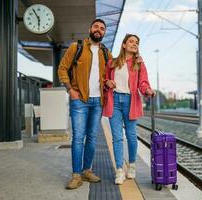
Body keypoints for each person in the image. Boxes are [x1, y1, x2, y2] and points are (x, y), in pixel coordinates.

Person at [58, 18, 112, 190]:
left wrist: (134, 58)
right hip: (80, 100)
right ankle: (76, 175)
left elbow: (115, 69)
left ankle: (87, 171)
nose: (99, 30)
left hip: (98, 102)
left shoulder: (105, 52)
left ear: (104, 33)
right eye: (96, 26)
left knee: (92, 138)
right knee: (78, 138)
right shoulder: (77, 47)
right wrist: (70, 90)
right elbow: (62, 68)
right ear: (90, 29)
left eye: (102, 28)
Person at [103, 34, 155, 185]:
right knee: (117, 138)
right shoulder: (112, 63)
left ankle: (132, 165)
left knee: (131, 136)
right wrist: (108, 82)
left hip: (130, 102)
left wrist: (148, 91)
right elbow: (105, 80)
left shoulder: (138, 64)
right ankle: (119, 170)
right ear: (124, 45)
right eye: (131, 41)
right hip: (115, 102)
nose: (134, 44)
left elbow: (143, 83)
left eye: (137, 42)